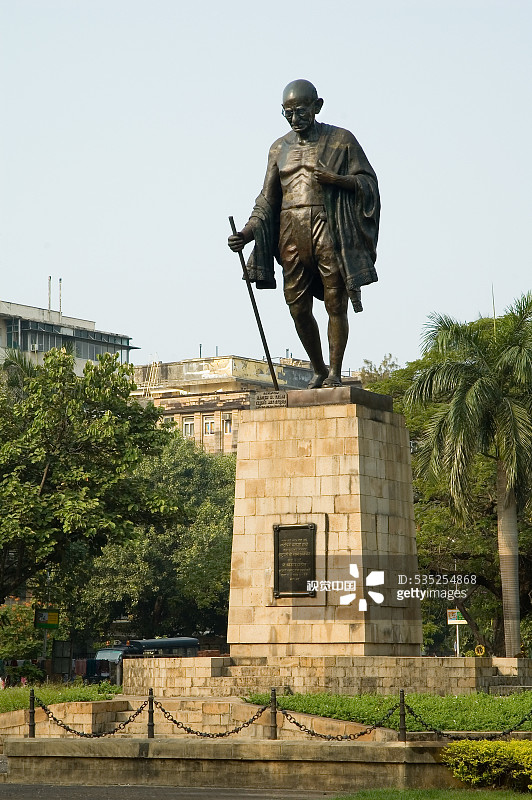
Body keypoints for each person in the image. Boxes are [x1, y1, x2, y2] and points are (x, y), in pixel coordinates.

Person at [228, 79, 380, 388]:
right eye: (287, 113)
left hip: (328, 226)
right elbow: (268, 198)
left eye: (300, 111)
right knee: (296, 307)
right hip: (290, 231)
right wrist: (247, 232)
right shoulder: (278, 148)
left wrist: (337, 180)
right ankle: (318, 368)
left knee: (335, 302)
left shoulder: (341, 140)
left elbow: (368, 184)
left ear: (317, 106)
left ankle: (335, 373)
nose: (295, 119)